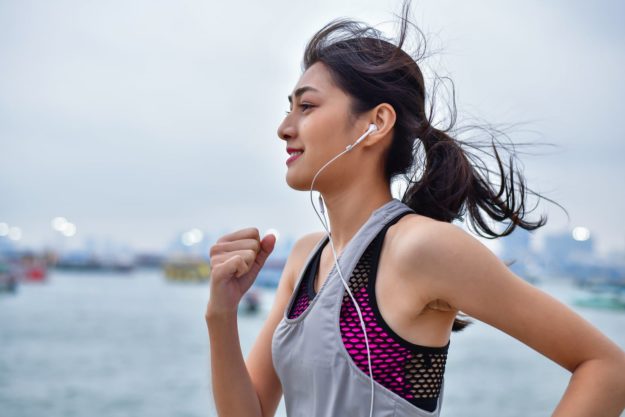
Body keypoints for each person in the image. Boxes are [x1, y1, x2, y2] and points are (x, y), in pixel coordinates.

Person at [205, 3, 625, 416]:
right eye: (288, 107)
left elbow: (607, 368)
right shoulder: (305, 257)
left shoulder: (421, 247)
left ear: (376, 123)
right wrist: (221, 314)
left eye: (307, 106)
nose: (284, 127)